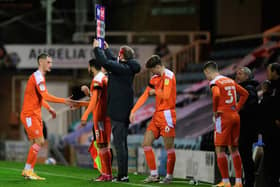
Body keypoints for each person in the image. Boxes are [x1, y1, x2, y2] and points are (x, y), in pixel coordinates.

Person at [93, 39, 141, 182]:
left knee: (120, 145)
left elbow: (107, 63)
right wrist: (107, 50)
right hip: (123, 110)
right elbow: (113, 61)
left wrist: (97, 49)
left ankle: (123, 176)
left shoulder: (123, 69)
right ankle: (123, 174)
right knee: (122, 144)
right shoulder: (126, 67)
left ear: (122, 56)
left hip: (119, 112)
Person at [20, 53, 73, 180]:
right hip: (29, 115)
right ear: (41, 62)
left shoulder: (39, 77)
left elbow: (40, 98)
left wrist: (50, 109)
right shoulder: (38, 77)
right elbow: (46, 96)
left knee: (37, 142)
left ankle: (29, 171)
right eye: (48, 62)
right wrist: (63, 101)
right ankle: (28, 170)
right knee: (39, 141)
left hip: (35, 115)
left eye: (51, 62)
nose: (51, 65)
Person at [129, 55, 176, 184]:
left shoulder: (169, 76)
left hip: (167, 114)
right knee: (146, 143)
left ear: (157, 66)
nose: (151, 73)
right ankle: (154, 175)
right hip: (157, 115)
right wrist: (133, 111)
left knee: (169, 147)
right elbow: (145, 95)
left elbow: (166, 95)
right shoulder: (155, 78)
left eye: (152, 70)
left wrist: (154, 92)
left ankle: (169, 176)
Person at [203, 61, 249, 187]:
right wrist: (236, 108)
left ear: (208, 71)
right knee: (234, 149)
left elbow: (216, 94)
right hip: (235, 116)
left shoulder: (214, 82)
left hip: (223, 117)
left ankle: (226, 181)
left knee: (220, 149)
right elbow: (245, 94)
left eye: (205, 75)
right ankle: (239, 182)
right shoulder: (229, 80)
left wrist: (215, 111)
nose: (206, 77)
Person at [76, 58, 112, 181]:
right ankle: (108, 174)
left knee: (102, 145)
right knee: (104, 145)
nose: (88, 69)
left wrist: (85, 115)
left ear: (91, 67)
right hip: (106, 115)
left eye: (88, 67)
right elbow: (97, 100)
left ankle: (105, 174)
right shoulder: (104, 78)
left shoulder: (97, 79)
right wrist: (81, 103)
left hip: (100, 117)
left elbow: (95, 101)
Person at [235, 67, 259, 187]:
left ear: (247, 76)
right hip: (244, 129)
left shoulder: (248, 89)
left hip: (246, 129)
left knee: (246, 157)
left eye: (240, 74)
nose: (237, 76)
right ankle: (248, 181)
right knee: (245, 156)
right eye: (237, 73)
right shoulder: (243, 89)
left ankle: (249, 182)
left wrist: (237, 111)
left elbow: (251, 108)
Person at [261, 62, 280, 186]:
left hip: (276, 132)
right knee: (269, 161)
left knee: (275, 159)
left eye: (268, 70)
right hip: (269, 132)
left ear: (274, 72)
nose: (267, 73)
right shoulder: (271, 87)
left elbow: (272, 106)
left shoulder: (277, 88)